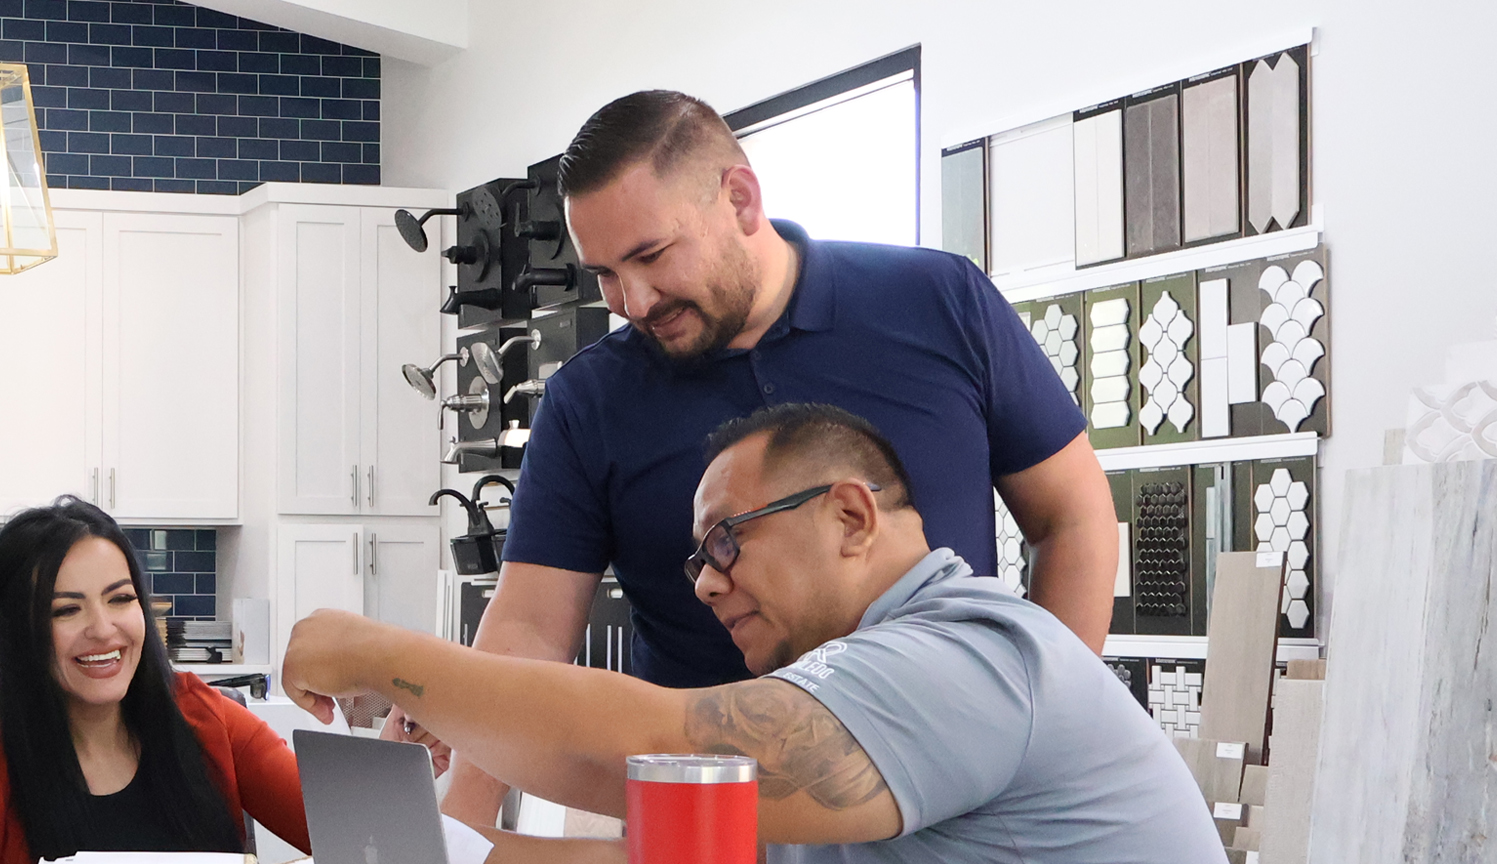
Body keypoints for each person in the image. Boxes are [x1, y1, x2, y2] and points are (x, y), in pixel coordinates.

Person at [406, 89, 1121, 824]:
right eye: (606, 274)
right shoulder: (588, 400)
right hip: (700, 815)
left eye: (651, 256)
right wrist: (463, 828)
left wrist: (1044, 732)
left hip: (949, 799)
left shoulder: (940, 301)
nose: (634, 301)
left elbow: (1073, 518)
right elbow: (529, 628)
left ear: (741, 200)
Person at [289, 404, 1224, 863]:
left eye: (726, 542)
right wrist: (443, 850)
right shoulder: (853, 699)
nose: (706, 584)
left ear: (851, 517)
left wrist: (379, 655)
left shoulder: (966, 655)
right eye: (698, 560)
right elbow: (660, 849)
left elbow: (647, 756)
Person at [0, 498, 311, 863]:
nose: (103, 629)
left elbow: (351, 832)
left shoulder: (209, 719)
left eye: (120, 598)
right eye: (66, 610)